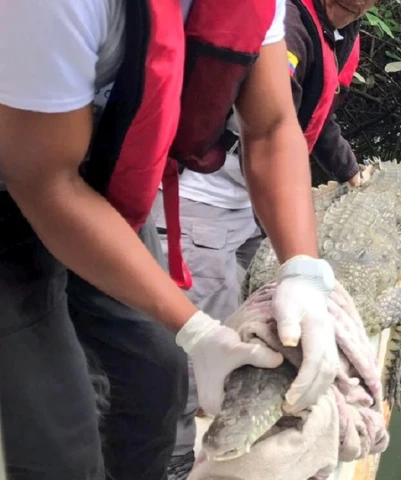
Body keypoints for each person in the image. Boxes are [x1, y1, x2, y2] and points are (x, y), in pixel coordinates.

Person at [0, 0, 342, 478]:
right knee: (60, 439)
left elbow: (271, 128)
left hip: (100, 187)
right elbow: (45, 184)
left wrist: (303, 272)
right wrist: (198, 329)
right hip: (22, 187)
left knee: (154, 379)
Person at [155, 0, 374, 474]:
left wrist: (349, 171)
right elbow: (273, 121)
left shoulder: (338, 32)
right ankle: (173, 460)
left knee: (222, 318)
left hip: (249, 205)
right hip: (200, 202)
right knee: (184, 344)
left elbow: (309, 119)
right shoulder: (292, 25)